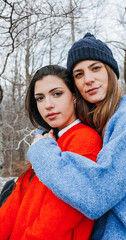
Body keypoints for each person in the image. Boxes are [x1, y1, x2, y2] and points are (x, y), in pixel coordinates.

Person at [27, 33, 126, 240]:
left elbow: (98, 194)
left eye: (95, 68)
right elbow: (56, 121)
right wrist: (43, 134)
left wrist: (41, 151)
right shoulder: (96, 115)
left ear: (110, 71)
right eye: (78, 74)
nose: (88, 80)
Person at [0, 64, 102, 240]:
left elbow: (54, 222)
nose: (48, 105)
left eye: (57, 94)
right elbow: (15, 201)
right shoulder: (48, 141)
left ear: (75, 96)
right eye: (40, 98)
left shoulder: (84, 140)